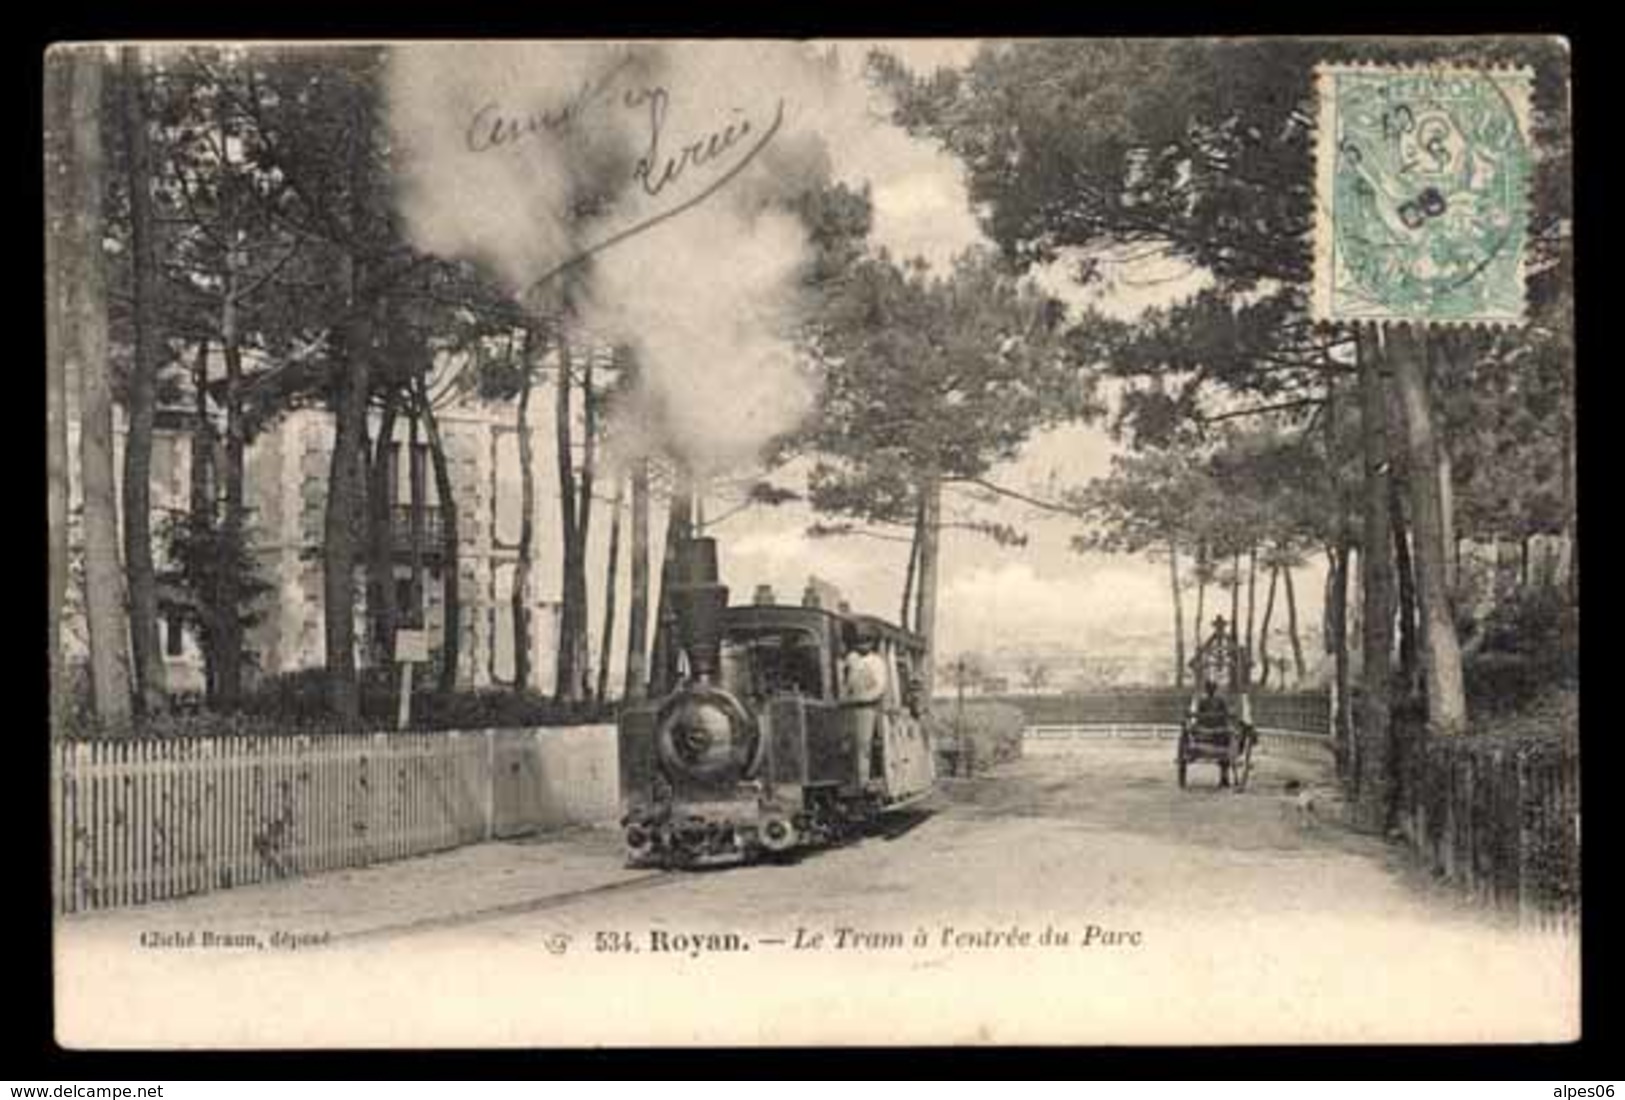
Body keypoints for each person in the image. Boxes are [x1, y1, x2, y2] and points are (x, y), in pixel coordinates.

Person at [841, 626, 889, 786]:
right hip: (847, 706)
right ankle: (847, 778)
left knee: (863, 744)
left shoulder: (876, 662)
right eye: (859, 642)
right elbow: (846, 681)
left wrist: (862, 698)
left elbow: (879, 687)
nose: (862, 645)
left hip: (866, 707)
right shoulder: (851, 659)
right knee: (847, 743)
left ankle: (862, 780)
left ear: (872, 643)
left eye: (866, 641)